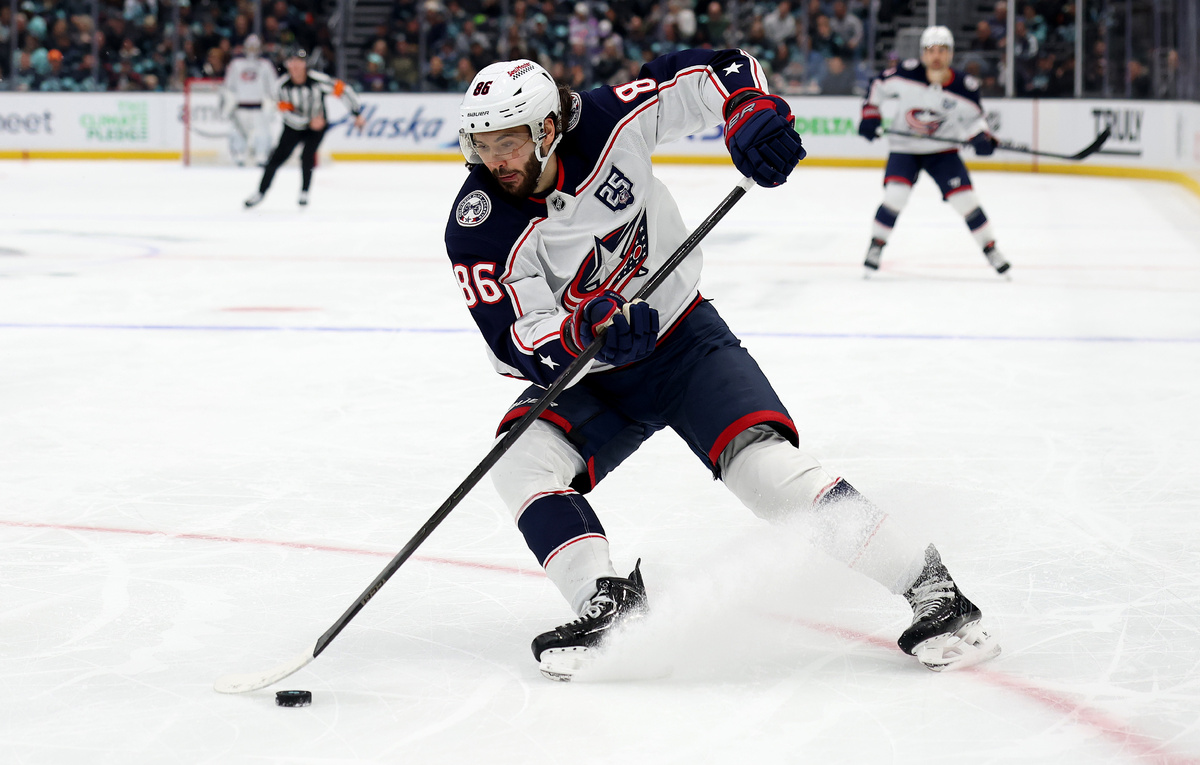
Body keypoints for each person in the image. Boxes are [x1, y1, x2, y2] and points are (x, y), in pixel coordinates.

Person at [445, 53, 1001, 681]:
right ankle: (607, 605)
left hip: (683, 339)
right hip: (592, 371)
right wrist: (582, 333)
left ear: (548, 128)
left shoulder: (607, 121)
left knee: (765, 472)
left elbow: (713, 71)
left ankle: (934, 592)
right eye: (482, 144)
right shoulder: (477, 226)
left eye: (509, 141)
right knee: (519, 460)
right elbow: (513, 336)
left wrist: (748, 108)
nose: (495, 160)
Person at [858, 26, 1010, 276]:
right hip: (905, 148)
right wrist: (870, 115)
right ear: (923, 54)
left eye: (942, 50)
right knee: (895, 196)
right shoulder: (906, 73)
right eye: (930, 50)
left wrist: (981, 137)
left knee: (966, 200)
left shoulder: (964, 86)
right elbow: (877, 85)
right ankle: (876, 245)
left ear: (951, 54)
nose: (936, 56)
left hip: (942, 150)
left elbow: (974, 120)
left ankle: (990, 248)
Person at [244, 50, 366, 208]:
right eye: (292, 62)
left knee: (307, 156)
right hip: (293, 127)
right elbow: (286, 114)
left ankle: (304, 192)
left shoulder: (318, 81)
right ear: (287, 64)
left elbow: (343, 90)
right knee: (275, 159)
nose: (295, 66)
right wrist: (309, 122)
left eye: (299, 62)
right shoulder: (282, 87)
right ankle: (260, 192)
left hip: (317, 127)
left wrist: (356, 113)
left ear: (305, 64)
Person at [222, 35, 278, 167]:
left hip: (259, 107)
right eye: (250, 46)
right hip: (240, 107)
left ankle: (261, 155)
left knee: (262, 133)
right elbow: (229, 86)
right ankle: (239, 155)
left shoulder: (265, 65)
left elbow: (273, 87)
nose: (252, 49)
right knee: (238, 133)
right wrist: (228, 104)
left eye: (255, 47)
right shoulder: (236, 64)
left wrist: (272, 103)